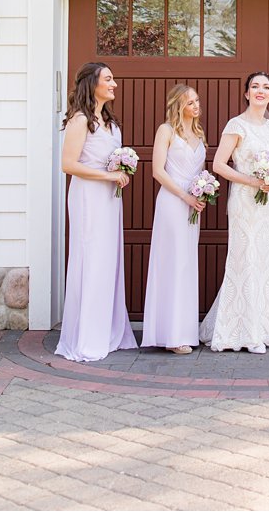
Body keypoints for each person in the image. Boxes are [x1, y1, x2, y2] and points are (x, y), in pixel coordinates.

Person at [56, 62, 138, 362]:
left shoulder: (109, 122)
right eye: (108, 79)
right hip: (89, 197)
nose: (114, 84)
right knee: (91, 260)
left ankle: (109, 331)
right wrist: (108, 176)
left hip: (109, 198)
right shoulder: (81, 120)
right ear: (93, 84)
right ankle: (87, 337)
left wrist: (119, 169)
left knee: (108, 260)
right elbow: (68, 165)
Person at [200, 72, 269, 353]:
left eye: (266, 88)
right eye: (255, 87)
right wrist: (253, 181)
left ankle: (265, 328)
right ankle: (242, 332)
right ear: (247, 93)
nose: (260, 91)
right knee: (244, 258)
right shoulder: (236, 125)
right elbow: (219, 165)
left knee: (265, 260)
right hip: (245, 201)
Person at [141, 84, 207, 354]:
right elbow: (158, 171)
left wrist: (202, 191)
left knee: (186, 263)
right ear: (177, 105)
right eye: (190, 102)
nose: (195, 105)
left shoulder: (199, 133)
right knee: (172, 262)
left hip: (193, 205)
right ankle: (170, 335)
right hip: (172, 201)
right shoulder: (165, 130)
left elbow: (200, 171)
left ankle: (184, 330)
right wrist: (184, 196)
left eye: (197, 100)